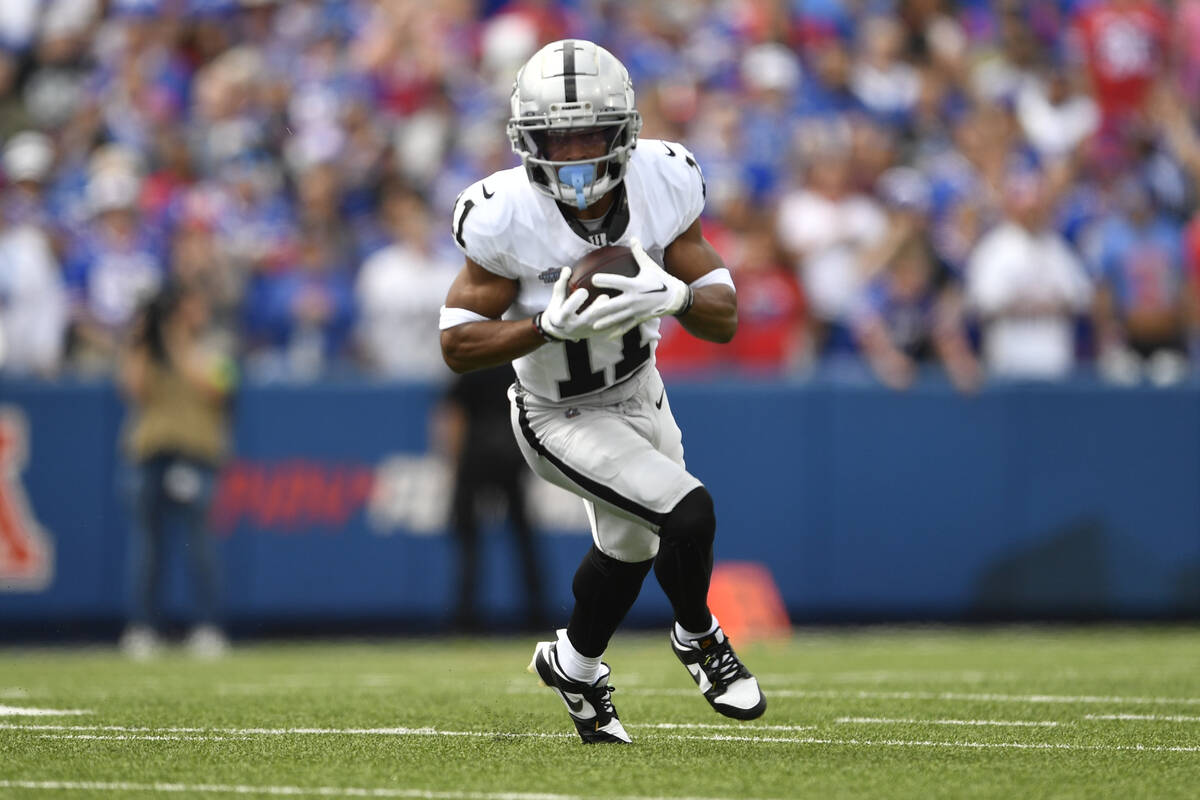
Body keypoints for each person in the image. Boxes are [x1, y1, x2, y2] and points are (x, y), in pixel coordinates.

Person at [439, 40, 765, 745]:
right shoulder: (505, 216)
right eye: (559, 136)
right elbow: (457, 345)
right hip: (556, 413)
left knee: (629, 549)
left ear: (624, 133)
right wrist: (542, 326)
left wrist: (676, 293)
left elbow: (724, 315)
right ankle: (700, 637)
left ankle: (575, 666)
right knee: (688, 513)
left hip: (641, 389)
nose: (576, 152)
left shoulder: (665, 181)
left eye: (590, 133)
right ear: (529, 140)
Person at [117, 280, 235, 660]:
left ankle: (207, 625)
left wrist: (177, 344)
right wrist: (143, 339)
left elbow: (219, 387)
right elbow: (132, 389)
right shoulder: (148, 348)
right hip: (151, 449)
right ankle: (143, 626)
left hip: (196, 451)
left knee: (199, 544)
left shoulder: (214, 344)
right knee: (147, 546)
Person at [438, 363, 547, 633]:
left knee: (471, 542)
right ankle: (536, 614)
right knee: (521, 539)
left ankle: (466, 618)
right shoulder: (516, 364)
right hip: (509, 453)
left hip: (474, 456)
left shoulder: (471, 362)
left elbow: (454, 414)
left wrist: (452, 463)